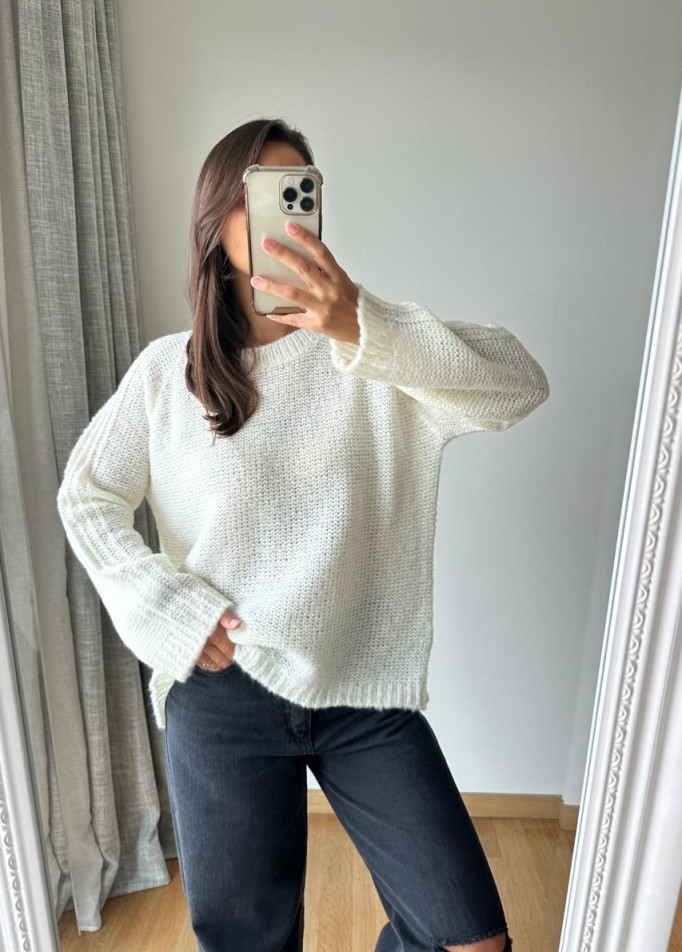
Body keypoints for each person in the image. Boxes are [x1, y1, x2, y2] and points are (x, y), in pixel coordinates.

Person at [57, 117, 550, 952]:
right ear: (217, 224)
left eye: (300, 193)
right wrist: (171, 611)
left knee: (471, 940)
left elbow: (518, 384)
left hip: (361, 686)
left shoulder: (372, 353)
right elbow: (86, 496)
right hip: (224, 695)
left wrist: (362, 324)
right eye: (261, 195)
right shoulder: (166, 375)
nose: (284, 216)